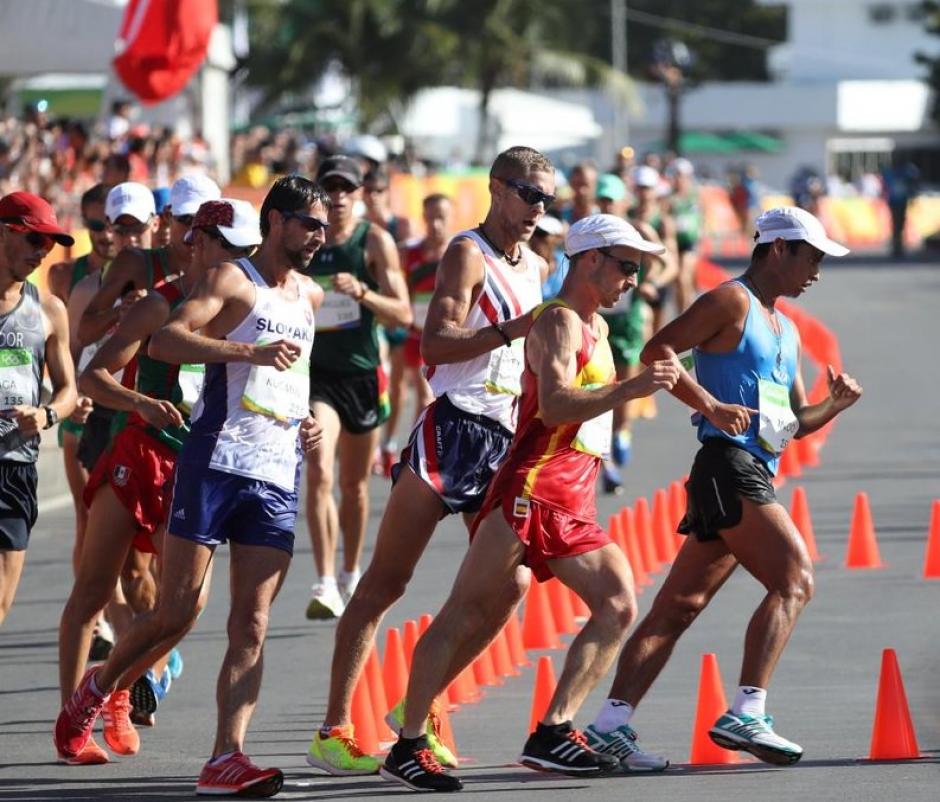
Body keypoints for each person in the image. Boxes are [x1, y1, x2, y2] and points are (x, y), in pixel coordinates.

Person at [378, 214, 680, 792]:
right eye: (625, 266)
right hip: (534, 489)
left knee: (617, 604)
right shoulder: (559, 322)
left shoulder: (594, 325)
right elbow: (559, 405)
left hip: (570, 494)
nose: (633, 279)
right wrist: (631, 388)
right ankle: (410, 741)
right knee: (465, 610)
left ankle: (553, 731)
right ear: (590, 260)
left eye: (637, 269)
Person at [54, 176, 326, 796]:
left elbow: (291, 374)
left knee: (250, 624)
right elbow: (168, 339)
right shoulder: (231, 280)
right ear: (277, 222)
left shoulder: (307, 296)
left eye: (324, 229)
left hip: (276, 470)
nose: (319, 236)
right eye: (310, 224)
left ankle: (225, 756)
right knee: (174, 607)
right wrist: (245, 355)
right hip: (211, 462)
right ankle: (95, 691)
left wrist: (303, 420)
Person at [306, 146, 551, 776]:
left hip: (503, 437)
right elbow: (435, 343)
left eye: (546, 199)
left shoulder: (540, 265)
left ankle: (422, 702)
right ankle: (334, 727)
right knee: (387, 581)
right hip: (454, 429)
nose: (536, 208)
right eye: (528, 194)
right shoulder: (469, 253)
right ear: (497, 189)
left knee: (513, 584)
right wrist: (513, 329)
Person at [588, 206, 862, 768]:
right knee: (795, 579)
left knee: (678, 606)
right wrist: (708, 403)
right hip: (725, 464)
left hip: (751, 467)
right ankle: (747, 710)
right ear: (778, 249)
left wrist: (831, 407)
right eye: (812, 258)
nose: (816, 272)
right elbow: (655, 350)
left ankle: (608, 726)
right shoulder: (730, 300)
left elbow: (791, 422)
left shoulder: (784, 328)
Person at [56, 199, 261, 765]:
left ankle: (115, 688)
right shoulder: (156, 305)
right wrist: (142, 403)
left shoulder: (246, 311)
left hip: (200, 467)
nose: (239, 263)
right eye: (228, 250)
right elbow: (94, 378)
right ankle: (74, 714)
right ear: (197, 244)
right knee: (94, 591)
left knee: (186, 608)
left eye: (245, 252)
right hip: (140, 457)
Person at [303, 155, 412, 619]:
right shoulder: (304, 241)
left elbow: (404, 314)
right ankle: (325, 581)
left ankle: (350, 572)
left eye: (347, 189)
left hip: (363, 375)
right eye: (330, 189)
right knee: (320, 472)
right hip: (315, 377)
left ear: (360, 193)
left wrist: (362, 292)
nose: (339, 198)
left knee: (354, 485)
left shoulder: (374, 242)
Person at [0, 192, 78, 625]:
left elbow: (67, 390)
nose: (41, 252)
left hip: (15, 466)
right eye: (33, 240)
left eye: (47, 245)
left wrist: (46, 415)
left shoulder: (48, 309)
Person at [46, 183, 116, 656]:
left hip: (127, 405)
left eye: (115, 225)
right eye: (95, 226)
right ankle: (99, 618)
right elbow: (65, 348)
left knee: (135, 529)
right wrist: (73, 393)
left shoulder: (151, 273)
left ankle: (136, 612)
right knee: (88, 516)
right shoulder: (65, 278)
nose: (107, 235)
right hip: (83, 408)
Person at [379, 193, 453, 476]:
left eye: (441, 218)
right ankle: (389, 443)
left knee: (425, 396)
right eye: (430, 217)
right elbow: (399, 290)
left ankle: (415, 454)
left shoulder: (459, 254)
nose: (435, 224)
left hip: (440, 336)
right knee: (397, 391)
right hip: (410, 334)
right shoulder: (409, 253)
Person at [665, 158, 703, 313]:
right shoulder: (668, 198)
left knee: (683, 277)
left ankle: (688, 311)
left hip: (690, 242)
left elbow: (703, 217)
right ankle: (681, 312)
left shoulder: (695, 195)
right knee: (678, 281)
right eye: (676, 175)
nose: (679, 179)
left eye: (682, 175)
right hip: (674, 242)